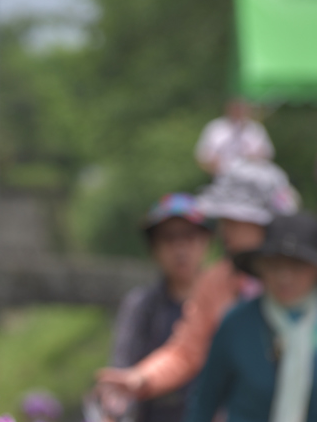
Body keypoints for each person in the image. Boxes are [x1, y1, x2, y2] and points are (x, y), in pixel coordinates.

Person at [97, 160, 300, 403]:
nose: (225, 231)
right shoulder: (217, 282)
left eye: (234, 222)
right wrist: (141, 377)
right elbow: (186, 350)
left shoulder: (305, 279)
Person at [172, 212, 317, 422]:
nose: (284, 276)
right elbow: (204, 399)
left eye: (297, 265)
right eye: (274, 264)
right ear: (259, 267)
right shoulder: (237, 324)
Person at [110, 194, 213, 422]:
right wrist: (115, 400)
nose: (180, 249)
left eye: (189, 238)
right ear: (154, 248)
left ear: (206, 243)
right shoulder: (143, 305)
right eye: (169, 239)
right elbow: (124, 363)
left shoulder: (225, 303)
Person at [195, 98, 274, 175]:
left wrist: (255, 157)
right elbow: (202, 157)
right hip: (223, 178)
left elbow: (267, 155)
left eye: (241, 107)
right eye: (236, 107)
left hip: (254, 177)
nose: (238, 110)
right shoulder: (215, 128)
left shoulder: (256, 129)